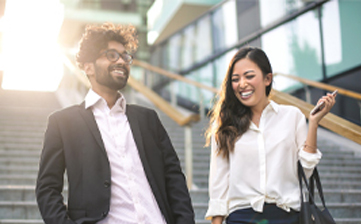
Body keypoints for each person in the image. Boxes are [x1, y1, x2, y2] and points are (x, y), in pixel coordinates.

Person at [35, 22, 195, 224]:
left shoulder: (148, 119)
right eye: (111, 55)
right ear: (88, 67)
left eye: (125, 56)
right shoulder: (63, 123)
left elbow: (174, 178)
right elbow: (47, 188)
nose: (121, 61)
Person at [204, 47, 336, 224]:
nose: (242, 84)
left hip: (287, 215)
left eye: (249, 76)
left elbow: (306, 170)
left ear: (268, 79)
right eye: (235, 79)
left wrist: (313, 123)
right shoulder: (224, 125)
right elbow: (219, 183)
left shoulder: (292, 116)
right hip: (241, 217)